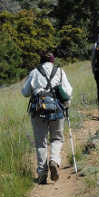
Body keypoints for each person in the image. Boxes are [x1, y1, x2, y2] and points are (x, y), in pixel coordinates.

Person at [21, 53, 73, 184]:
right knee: (57, 138)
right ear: (52, 61)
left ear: (41, 61)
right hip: (57, 109)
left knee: (41, 142)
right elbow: (68, 91)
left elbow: (25, 92)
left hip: (39, 110)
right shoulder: (60, 71)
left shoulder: (34, 72)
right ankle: (54, 160)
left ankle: (42, 173)